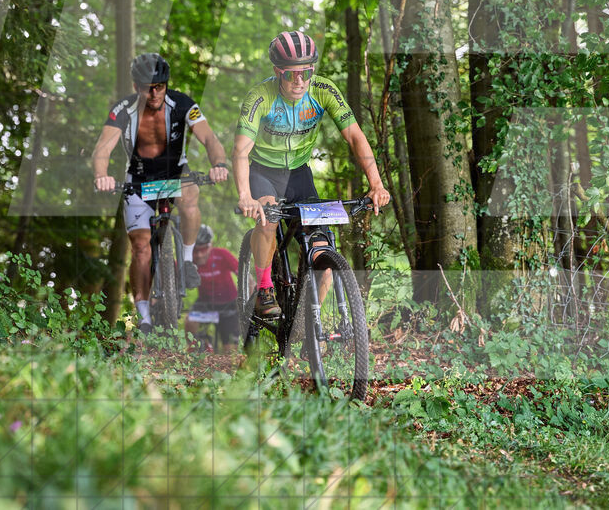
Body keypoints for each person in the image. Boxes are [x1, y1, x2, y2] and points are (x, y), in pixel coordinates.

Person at [232, 30, 391, 317]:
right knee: (268, 217)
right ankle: (265, 288)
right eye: (291, 75)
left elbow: (355, 136)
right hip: (263, 172)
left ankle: (310, 327)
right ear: (277, 72)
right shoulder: (260, 97)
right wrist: (245, 195)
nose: (299, 82)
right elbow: (241, 150)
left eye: (305, 74)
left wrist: (376, 184)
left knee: (324, 254)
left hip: (299, 175)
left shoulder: (323, 91)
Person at [92, 53, 229, 334]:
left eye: (159, 86)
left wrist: (219, 164)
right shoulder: (122, 110)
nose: (154, 93)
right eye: (146, 87)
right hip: (139, 179)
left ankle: (187, 260)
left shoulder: (183, 104)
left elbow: (209, 138)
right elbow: (102, 149)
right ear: (135, 86)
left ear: (166, 84)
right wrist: (101, 176)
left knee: (190, 199)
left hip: (175, 173)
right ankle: (143, 315)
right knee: (140, 247)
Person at [183, 224, 240, 350]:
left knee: (230, 353)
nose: (199, 255)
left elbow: (244, 276)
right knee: (190, 321)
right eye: (195, 250)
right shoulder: (189, 261)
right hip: (206, 305)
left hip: (229, 307)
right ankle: (198, 350)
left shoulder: (222, 255)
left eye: (203, 249)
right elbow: (171, 276)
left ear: (210, 245)